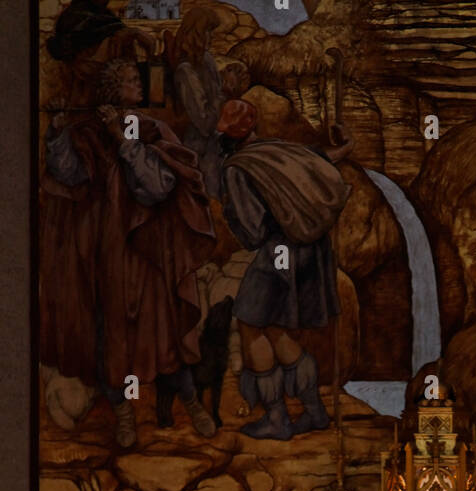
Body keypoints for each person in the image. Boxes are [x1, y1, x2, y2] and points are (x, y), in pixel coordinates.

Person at [41, 58, 217, 448]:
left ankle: (192, 404)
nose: (138, 83)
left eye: (137, 79)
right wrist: (57, 132)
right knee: (113, 340)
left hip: (148, 252)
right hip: (106, 253)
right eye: (129, 79)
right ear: (110, 89)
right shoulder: (86, 131)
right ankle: (124, 415)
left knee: (163, 334)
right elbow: (68, 174)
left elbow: (156, 187)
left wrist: (121, 138)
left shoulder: (149, 129)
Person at [217, 99, 352, 441]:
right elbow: (325, 158)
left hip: (280, 251)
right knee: (278, 331)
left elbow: (253, 232)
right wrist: (346, 145)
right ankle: (315, 412)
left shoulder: (237, 168)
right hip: (312, 249)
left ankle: (277, 419)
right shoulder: (280, 150)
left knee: (251, 324)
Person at [164, 6, 224, 198]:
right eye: (207, 32)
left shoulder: (207, 60)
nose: (211, 38)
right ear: (196, 34)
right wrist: (226, 95)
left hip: (220, 137)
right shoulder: (185, 71)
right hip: (202, 149)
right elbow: (204, 124)